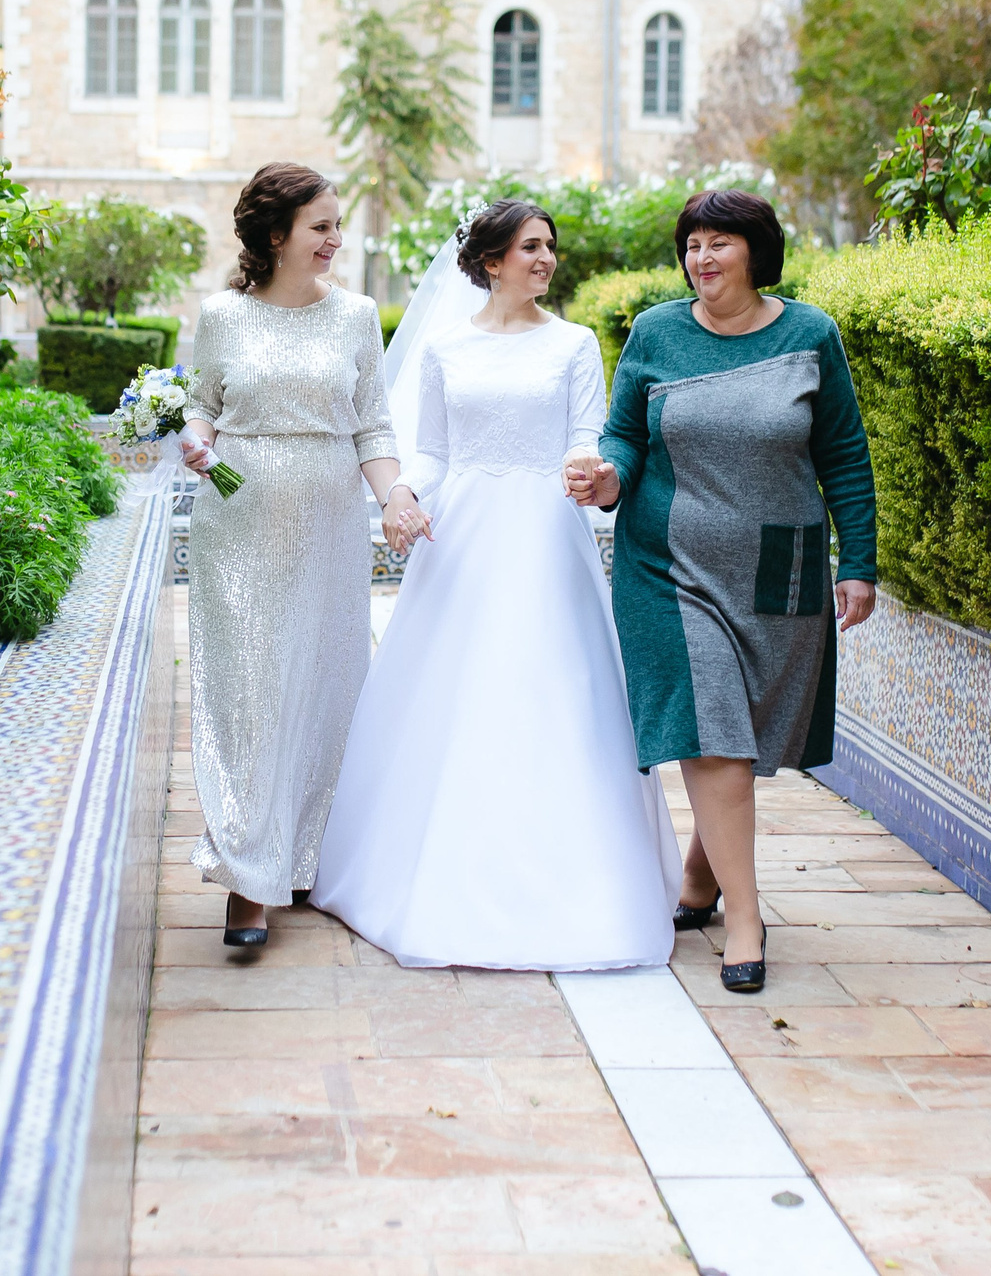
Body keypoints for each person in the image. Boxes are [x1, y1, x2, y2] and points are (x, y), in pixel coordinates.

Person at [311, 202, 681, 971]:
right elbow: (434, 454)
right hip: (464, 542)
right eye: (529, 247)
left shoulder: (575, 343)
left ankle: (579, 884)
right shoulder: (446, 347)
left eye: (549, 247)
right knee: (458, 695)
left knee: (554, 691)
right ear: (490, 261)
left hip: (547, 538)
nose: (545, 259)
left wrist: (587, 468)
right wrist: (403, 495)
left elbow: (585, 436)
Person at [565, 189, 878, 993]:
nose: (702, 258)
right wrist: (607, 479)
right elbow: (624, 437)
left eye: (719, 243)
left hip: (780, 566)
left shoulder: (811, 336)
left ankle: (703, 877)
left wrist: (858, 561)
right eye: (693, 244)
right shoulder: (656, 332)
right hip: (669, 567)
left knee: (748, 732)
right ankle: (746, 919)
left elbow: (844, 454)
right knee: (712, 733)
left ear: (756, 251)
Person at [179, 163, 430, 949]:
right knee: (249, 692)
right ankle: (247, 878)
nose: (335, 239)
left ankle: (308, 855)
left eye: (336, 224)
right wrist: (195, 440)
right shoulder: (221, 316)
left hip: (329, 528)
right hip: (237, 524)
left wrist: (395, 496)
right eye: (321, 226)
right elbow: (201, 406)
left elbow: (372, 425)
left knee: (324, 686)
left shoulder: (356, 316)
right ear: (276, 233)